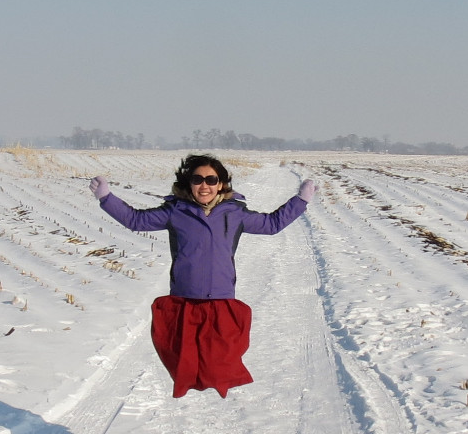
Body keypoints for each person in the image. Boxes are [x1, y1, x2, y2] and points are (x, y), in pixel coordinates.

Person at [88, 156, 317, 398]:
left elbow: (271, 224)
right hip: (185, 298)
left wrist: (300, 201)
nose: (204, 186)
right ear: (189, 183)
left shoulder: (235, 213)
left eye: (211, 180)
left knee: (221, 359)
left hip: (221, 298)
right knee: (182, 359)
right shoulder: (175, 211)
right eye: (197, 179)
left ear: (221, 184)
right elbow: (135, 220)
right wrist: (106, 198)